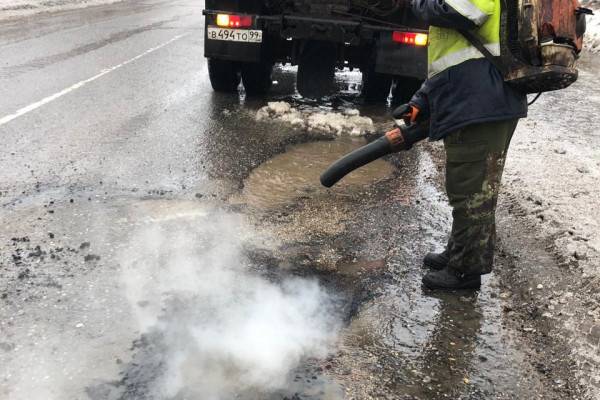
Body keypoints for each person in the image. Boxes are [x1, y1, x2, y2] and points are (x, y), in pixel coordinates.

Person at [389, 0, 528, 289]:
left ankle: (465, 271)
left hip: (481, 102)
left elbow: (466, 11)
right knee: (466, 186)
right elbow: (453, 59)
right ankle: (458, 251)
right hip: (472, 98)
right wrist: (422, 100)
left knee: (473, 192)